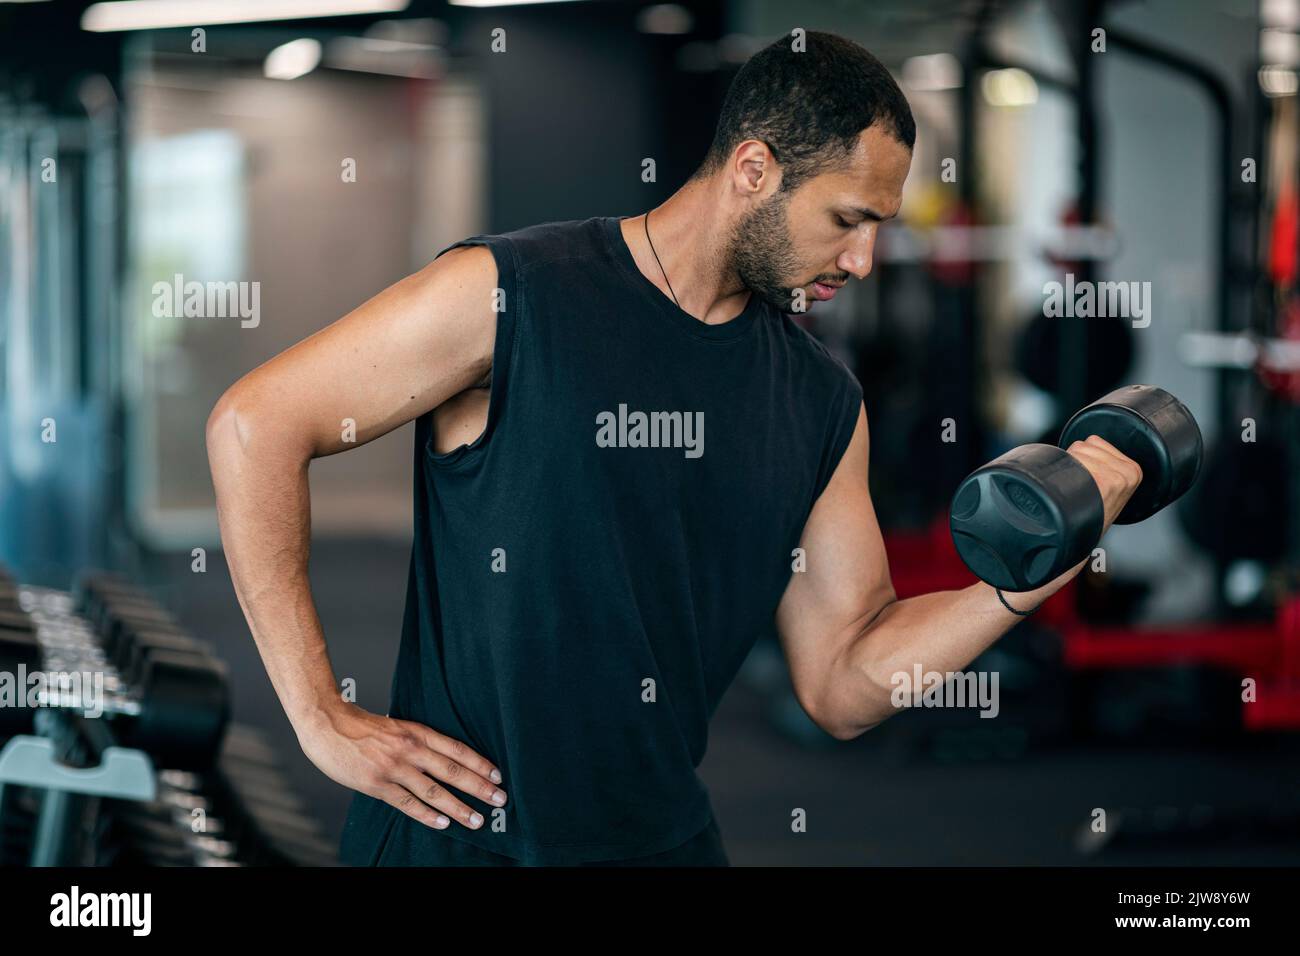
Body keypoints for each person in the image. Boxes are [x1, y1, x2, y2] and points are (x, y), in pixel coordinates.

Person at [206, 31, 1142, 866]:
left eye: (878, 231)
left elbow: (843, 679)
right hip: (458, 841)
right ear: (752, 169)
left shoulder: (821, 401)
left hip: (662, 840)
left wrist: (1023, 574)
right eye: (849, 219)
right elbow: (256, 426)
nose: (861, 262)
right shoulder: (514, 295)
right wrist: (321, 718)